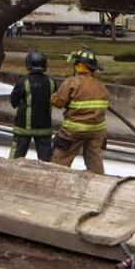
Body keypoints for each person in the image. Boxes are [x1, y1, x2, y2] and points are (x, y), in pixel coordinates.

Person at [50, 47, 110, 175]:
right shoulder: (101, 87)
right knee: (95, 161)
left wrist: (53, 96)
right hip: (97, 131)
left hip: (74, 131)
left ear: (78, 66)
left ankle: (55, 182)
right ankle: (99, 182)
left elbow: (58, 103)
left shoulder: (72, 82)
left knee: (59, 161)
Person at [9, 49, 55, 161]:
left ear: (28, 64)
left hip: (23, 128)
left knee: (15, 159)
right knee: (46, 162)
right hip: (44, 128)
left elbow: (13, 102)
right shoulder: (51, 82)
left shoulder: (23, 81)